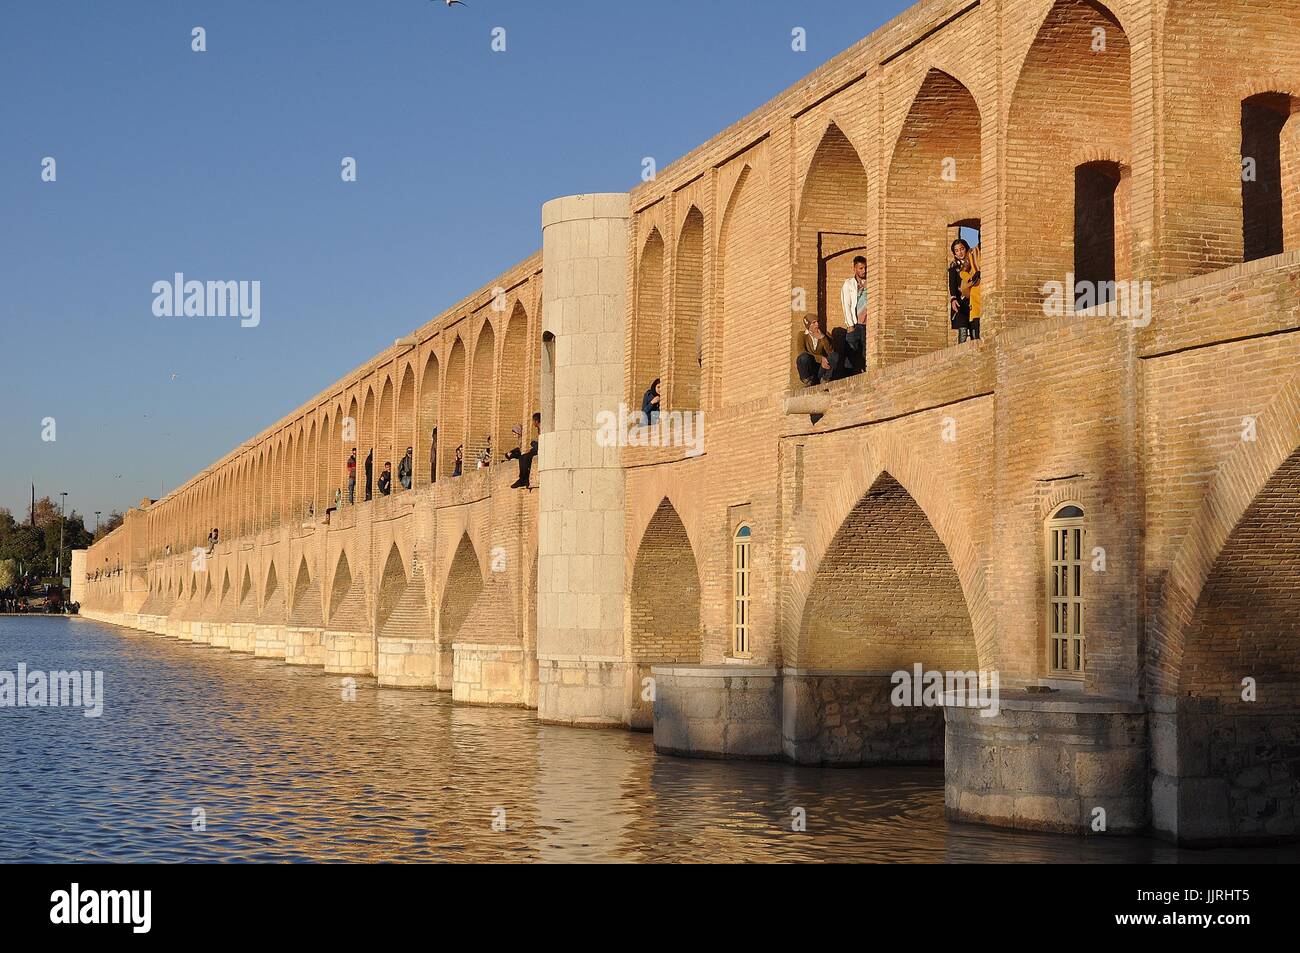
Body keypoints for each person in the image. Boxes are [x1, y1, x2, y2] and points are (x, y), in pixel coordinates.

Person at [839, 255, 869, 374]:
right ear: (855, 269)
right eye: (861, 268)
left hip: (868, 324)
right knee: (852, 349)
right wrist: (850, 325)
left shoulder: (872, 282)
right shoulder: (849, 284)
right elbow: (846, 304)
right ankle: (849, 375)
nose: (864, 271)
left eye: (865, 268)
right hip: (855, 324)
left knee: (866, 351)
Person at [949, 239, 981, 343]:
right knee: (962, 326)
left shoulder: (973, 261)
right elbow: (952, 284)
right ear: (954, 253)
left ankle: (975, 346)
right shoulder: (954, 268)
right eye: (957, 250)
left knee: (973, 325)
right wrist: (953, 298)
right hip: (960, 301)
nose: (960, 252)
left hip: (973, 298)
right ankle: (960, 350)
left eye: (962, 249)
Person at [796, 315, 836, 386]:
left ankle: (825, 379)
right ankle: (808, 380)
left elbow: (830, 351)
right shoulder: (802, 335)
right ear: (808, 324)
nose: (817, 324)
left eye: (817, 322)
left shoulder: (824, 334)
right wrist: (820, 359)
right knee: (803, 357)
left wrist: (822, 337)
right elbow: (801, 351)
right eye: (814, 322)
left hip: (822, 368)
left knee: (834, 355)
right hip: (811, 367)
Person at [505, 412, 541, 489]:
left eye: (533, 421)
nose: (533, 423)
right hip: (538, 448)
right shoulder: (538, 429)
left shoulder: (542, 428)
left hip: (541, 448)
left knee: (525, 457)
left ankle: (523, 479)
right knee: (522, 457)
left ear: (537, 421)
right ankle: (523, 479)